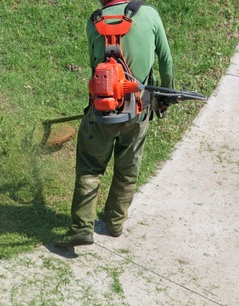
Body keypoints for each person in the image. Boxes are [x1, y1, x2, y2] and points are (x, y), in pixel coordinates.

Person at [54, 0, 174, 247]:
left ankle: (81, 228)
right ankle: (115, 222)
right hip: (138, 112)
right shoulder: (149, 15)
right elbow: (165, 60)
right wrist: (166, 97)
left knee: (90, 168)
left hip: (101, 112)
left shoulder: (94, 21)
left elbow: (93, 66)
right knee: (127, 169)